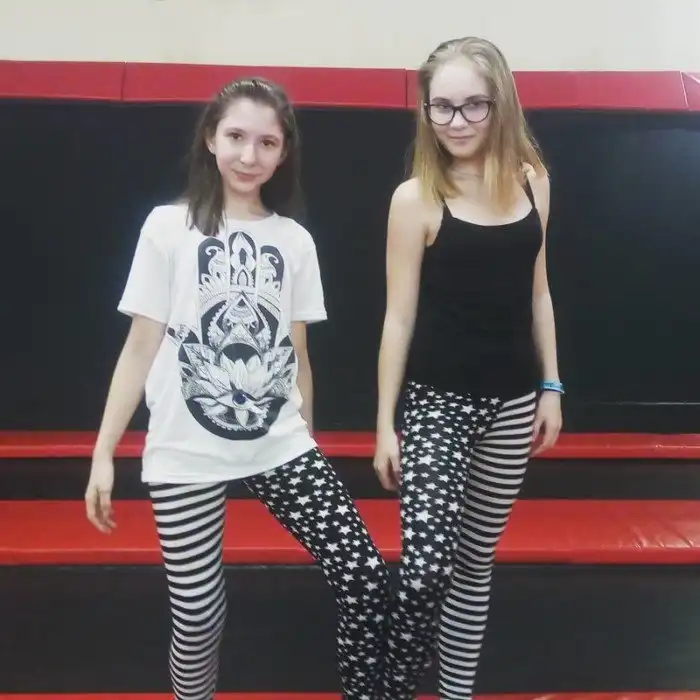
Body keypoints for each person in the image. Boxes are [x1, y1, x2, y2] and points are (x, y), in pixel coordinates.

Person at [84, 77, 390, 700]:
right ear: (210, 138)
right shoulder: (167, 228)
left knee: (364, 577)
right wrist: (103, 452)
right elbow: (140, 344)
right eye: (236, 137)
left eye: (267, 142)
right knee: (198, 615)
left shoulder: (295, 241)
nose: (250, 156)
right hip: (185, 449)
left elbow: (298, 353)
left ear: (284, 152)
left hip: (279, 443)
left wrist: (307, 439)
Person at [373, 37, 563, 699]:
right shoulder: (415, 199)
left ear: (500, 103)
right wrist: (385, 425)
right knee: (426, 569)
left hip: (512, 403)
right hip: (436, 404)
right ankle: (391, 687)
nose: (456, 122)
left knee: (475, 564)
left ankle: (455, 693)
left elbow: (539, 291)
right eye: (442, 107)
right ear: (425, 110)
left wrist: (551, 385)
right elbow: (398, 317)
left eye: (473, 106)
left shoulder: (534, 181)